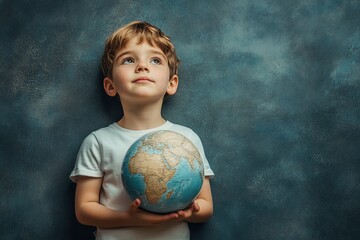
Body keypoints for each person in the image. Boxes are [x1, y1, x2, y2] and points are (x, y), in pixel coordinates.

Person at [70, 20, 214, 240]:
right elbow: (84, 209)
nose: (142, 66)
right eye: (128, 60)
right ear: (110, 85)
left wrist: (186, 212)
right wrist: (130, 218)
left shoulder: (187, 139)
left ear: (171, 84)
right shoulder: (98, 142)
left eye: (155, 60)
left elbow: (206, 207)